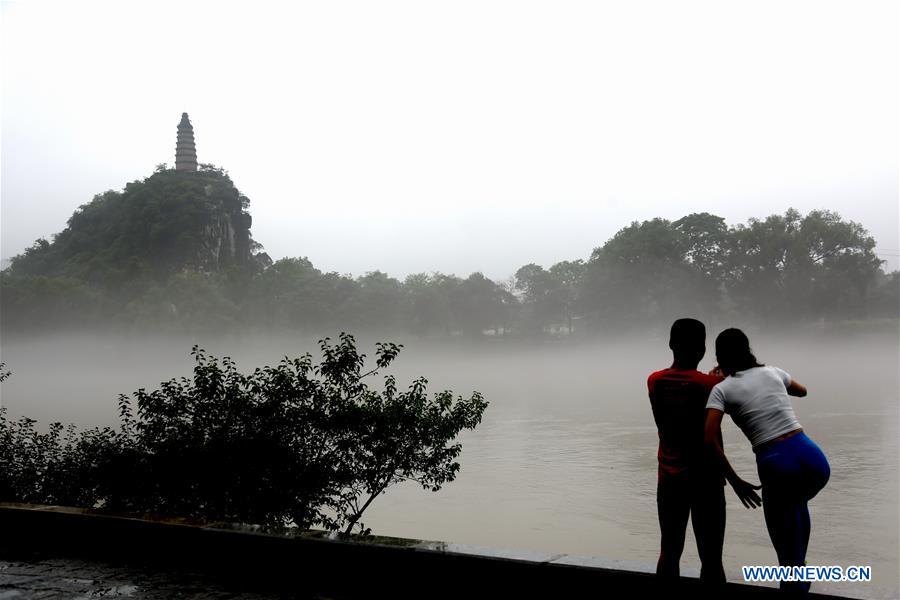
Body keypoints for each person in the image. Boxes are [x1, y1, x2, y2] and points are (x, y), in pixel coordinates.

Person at [704, 328, 830, 595]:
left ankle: (796, 581)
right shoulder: (773, 372)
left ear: (719, 357)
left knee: (787, 556)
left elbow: (709, 439)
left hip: (777, 462)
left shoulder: (721, 389)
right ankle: (801, 569)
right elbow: (803, 391)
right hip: (813, 458)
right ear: (748, 349)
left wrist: (735, 481)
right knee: (796, 506)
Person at [647, 318, 726, 585]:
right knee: (712, 557)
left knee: (669, 551)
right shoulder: (711, 385)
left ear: (671, 344)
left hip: (668, 478)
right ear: (703, 349)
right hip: (707, 480)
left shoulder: (654, 381)